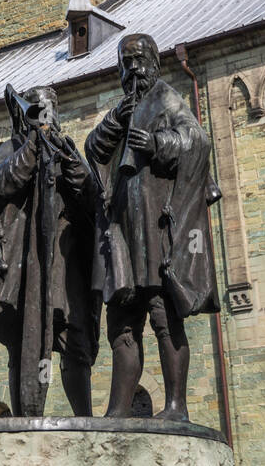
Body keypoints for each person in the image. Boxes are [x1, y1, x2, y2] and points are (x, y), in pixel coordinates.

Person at [85, 33, 220, 421]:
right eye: (126, 62)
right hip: (125, 234)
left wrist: (159, 143)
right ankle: (118, 410)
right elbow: (94, 150)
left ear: (154, 63)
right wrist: (115, 120)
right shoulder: (122, 109)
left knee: (164, 316)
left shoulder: (166, 99)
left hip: (160, 227)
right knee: (123, 324)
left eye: (140, 60)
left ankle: (176, 405)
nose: (133, 68)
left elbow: (198, 140)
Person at [0, 83, 99, 416]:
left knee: (74, 339)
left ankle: (85, 416)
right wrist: (34, 146)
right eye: (37, 109)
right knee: (25, 341)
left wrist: (73, 166)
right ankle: (25, 416)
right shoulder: (13, 148)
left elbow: (92, 197)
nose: (45, 117)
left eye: (50, 109)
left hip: (66, 263)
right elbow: (2, 182)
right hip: (29, 265)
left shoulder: (67, 149)